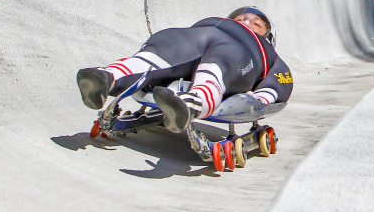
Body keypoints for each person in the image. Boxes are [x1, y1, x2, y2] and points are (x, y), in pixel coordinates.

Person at [76, 7, 292, 132]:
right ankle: (106, 78)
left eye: (256, 23)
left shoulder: (267, 52)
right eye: (240, 19)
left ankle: (193, 102)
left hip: (242, 50)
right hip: (196, 34)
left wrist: (261, 99)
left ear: (267, 37)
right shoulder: (216, 23)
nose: (246, 21)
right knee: (159, 52)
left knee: (219, 64)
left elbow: (281, 80)